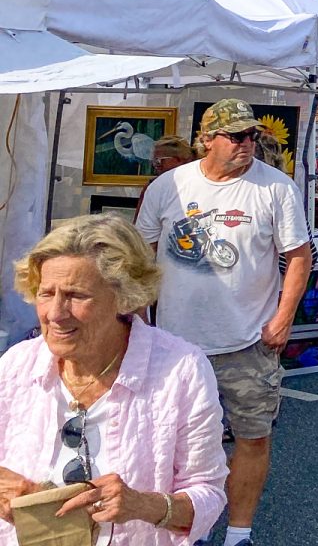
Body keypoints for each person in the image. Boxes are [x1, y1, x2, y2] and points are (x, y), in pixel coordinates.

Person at [135, 99, 310, 546]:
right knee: (170, 444)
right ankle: (182, 528)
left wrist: (283, 317)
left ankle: (238, 532)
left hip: (247, 341)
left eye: (252, 135)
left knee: (253, 436)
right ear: (206, 140)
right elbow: (138, 256)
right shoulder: (168, 185)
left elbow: (299, 255)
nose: (246, 144)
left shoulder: (276, 187)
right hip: (174, 344)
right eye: (235, 136)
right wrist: (139, 322)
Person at [0, 215, 227, 545]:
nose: (55, 313)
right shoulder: (18, 364)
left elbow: (208, 494)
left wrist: (143, 504)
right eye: (46, 293)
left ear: (125, 297)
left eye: (77, 295)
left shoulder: (180, 370)